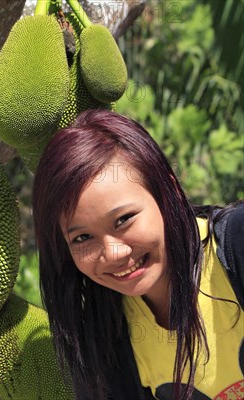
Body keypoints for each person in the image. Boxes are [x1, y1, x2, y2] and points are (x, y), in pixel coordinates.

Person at [32, 109, 243, 400]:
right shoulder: (107, 344)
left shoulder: (236, 246)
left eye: (124, 220)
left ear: (169, 190)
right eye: (82, 237)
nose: (113, 253)